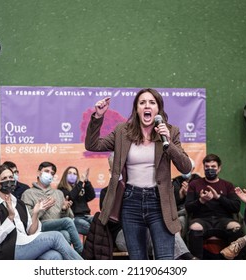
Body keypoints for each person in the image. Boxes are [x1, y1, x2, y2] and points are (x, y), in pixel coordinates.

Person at [85, 88, 192, 260]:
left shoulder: (171, 131)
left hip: (159, 202)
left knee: (165, 260)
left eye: (151, 102)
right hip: (131, 201)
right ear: (136, 109)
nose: (146, 106)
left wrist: (168, 142)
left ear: (158, 109)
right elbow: (92, 145)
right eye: (142, 103)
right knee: (138, 262)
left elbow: (186, 167)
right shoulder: (123, 132)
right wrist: (97, 117)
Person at [0, 164, 82, 260]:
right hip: (7, 251)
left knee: (54, 256)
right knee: (57, 236)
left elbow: (30, 232)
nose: (8, 181)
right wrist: (10, 217)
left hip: (26, 243)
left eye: (10, 177)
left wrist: (36, 213)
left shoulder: (19, 203)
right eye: (4, 178)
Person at [185, 154, 244, 260]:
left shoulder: (228, 185)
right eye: (207, 167)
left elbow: (236, 207)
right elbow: (188, 208)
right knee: (195, 228)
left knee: (236, 227)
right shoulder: (194, 184)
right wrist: (201, 200)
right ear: (203, 167)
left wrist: (218, 197)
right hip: (202, 219)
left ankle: (233, 260)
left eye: (213, 167)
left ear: (219, 168)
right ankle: (196, 260)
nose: (210, 169)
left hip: (223, 220)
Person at [21, 161, 83, 254]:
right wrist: (42, 208)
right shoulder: (28, 193)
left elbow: (70, 217)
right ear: (38, 173)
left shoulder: (58, 193)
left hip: (57, 227)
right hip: (40, 227)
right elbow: (26, 218)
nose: (49, 174)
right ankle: (81, 252)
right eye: (47, 171)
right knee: (67, 222)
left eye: (52, 173)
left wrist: (64, 209)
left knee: (65, 234)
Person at [58, 166, 96, 235]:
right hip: (74, 218)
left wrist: (86, 182)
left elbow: (91, 196)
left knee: (99, 223)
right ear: (65, 175)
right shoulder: (61, 189)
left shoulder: (79, 187)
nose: (72, 175)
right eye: (69, 173)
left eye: (74, 174)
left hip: (87, 215)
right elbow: (71, 197)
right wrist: (81, 182)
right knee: (89, 228)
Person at [172, 158, 200, 238]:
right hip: (179, 211)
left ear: (193, 169)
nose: (184, 170)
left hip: (193, 212)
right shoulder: (176, 181)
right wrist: (181, 194)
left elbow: (200, 200)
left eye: (187, 168)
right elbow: (173, 203)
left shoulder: (199, 181)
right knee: (178, 222)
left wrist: (189, 194)